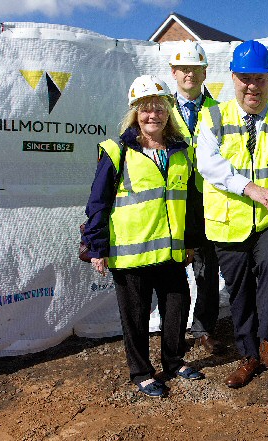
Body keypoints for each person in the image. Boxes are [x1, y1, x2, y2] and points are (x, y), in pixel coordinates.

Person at [196, 40, 268, 388]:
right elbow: (208, 164)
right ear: (233, 77)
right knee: (240, 289)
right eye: (245, 77)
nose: (252, 86)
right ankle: (248, 354)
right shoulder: (213, 116)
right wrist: (252, 189)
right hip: (229, 222)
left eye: (259, 78)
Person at [82, 75, 204, 398]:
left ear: (169, 111)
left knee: (178, 307)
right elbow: (97, 202)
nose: (154, 115)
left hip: (171, 253)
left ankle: (174, 361)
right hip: (130, 255)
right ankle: (141, 372)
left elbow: (190, 202)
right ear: (135, 113)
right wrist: (97, 247)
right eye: (146, 109)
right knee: (135, 318)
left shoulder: (181, 152)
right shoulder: (116, 151)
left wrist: (190, 241)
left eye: (160, 108)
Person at [169, 40, 222, 355]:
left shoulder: (218, 111)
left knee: (207, 271)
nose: (189, 74)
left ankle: (204, 329)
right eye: (183, 68)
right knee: (172, 270)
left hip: (207, 200)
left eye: (195, 68)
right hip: (173, 201)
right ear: (174, 72)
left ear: (204, 72)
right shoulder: (162, 109)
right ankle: (174, 332)